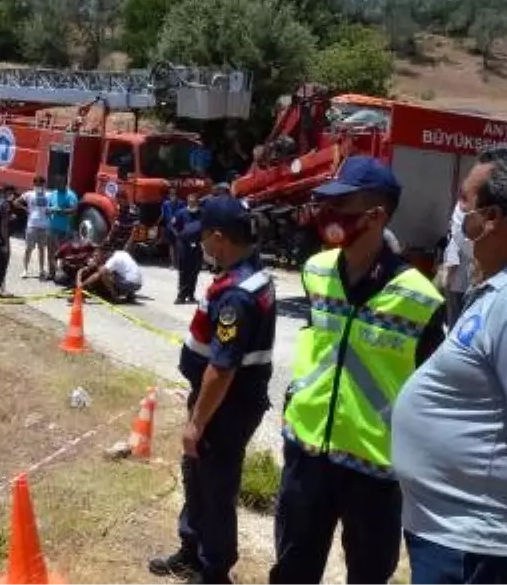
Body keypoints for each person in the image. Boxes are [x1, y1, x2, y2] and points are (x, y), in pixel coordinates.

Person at [270, 156, 446, 585]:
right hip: (308, 451)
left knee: (368, 574)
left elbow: (432, 390)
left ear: (376, 215)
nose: (330, 215)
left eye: (343, 205)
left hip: (375, 466)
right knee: (292, 567)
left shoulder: (419, 299)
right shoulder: (317, 271)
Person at [392, 144, 507, 585]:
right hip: (460, 541)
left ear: (495, 219)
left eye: (465, 201)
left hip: (484, 551)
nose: (457, 213)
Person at [149, 196, 275, 585]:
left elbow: (222, 368)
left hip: (225, 407)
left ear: (219, 238)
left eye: (202, 237)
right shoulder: (249, 275)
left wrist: (196, 422)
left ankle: (214, 569)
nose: (199, 245)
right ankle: (192, 550)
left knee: (216, 486)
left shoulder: (237, 294)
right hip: (221, 403)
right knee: (197, 473)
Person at [436, 201, 473, 329]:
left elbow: (452, 262)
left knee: (454, 318)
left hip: (454, 286)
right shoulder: (471, 241)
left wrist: (445, 280)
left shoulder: (456, 239)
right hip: (468, 285)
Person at [76, 246, 142, 303]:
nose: (95, 257)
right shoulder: (122, 253)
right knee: (118, 272)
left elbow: (97, 275)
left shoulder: (113, 260)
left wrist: (82, 286)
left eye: (97, 255)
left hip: (130, 284)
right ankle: (130, 294)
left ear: (104, 254)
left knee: (103, 273)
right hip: (138, 284)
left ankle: (114, 297)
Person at [16, 175, 51, 279]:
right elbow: (16, 202)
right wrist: (25, 209)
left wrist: (51, 210)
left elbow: (54, 204)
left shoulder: (49, 195)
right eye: (36, 184)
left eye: (40, 184)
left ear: (44, 184)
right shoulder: (29, 194)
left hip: (44, 226)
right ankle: (25, 269)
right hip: (32, 225)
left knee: (42, 249)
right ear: (34, 184)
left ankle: (41, 270)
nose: (38, 186)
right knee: (28, 249)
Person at [173, 193, 205, 304]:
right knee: (184, 271)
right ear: (187, 201)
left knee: (194, 271)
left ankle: (191, 295)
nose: (192, 203)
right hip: (184, 245)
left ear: (197, 201)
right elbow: (174, 226)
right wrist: (180, 236)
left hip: (197, 244)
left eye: (194, 201)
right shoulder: (181, 213)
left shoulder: (202, 213)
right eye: (190, 201)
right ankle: (181, 296)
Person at [47, 175, 79, 282]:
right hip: (52, 227)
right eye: (57, 184)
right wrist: (49, 210)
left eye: (60, 184)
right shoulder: (54, 193)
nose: (58, 186)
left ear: (65, 184)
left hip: (64, 229)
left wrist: (60, 211)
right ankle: (51, 273)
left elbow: (74, 210)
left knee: (63, 253)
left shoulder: (70, 195)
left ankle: (62, 275)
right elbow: (50, 206)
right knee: (51, 251)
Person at [104, 187, 140, 253]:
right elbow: (115, 221)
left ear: (124, 199)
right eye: (117, 200)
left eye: (119, 200)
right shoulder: (118, 208)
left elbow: (136, 227)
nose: (118, 202)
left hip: (129, 231)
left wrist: (128, 243)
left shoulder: (133, 209)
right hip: (119, 230)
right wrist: (109, 235)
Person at [162, 190, 185, 268]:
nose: (172, 196)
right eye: (171, 194)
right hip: (169, 227)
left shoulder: (181, 203)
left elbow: (183, 213)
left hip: (179, 227)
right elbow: (164, 215)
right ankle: (172, 263)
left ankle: (179, 263)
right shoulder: (166, 204)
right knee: (171, 246)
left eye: (174, 194)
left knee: (179, 245)